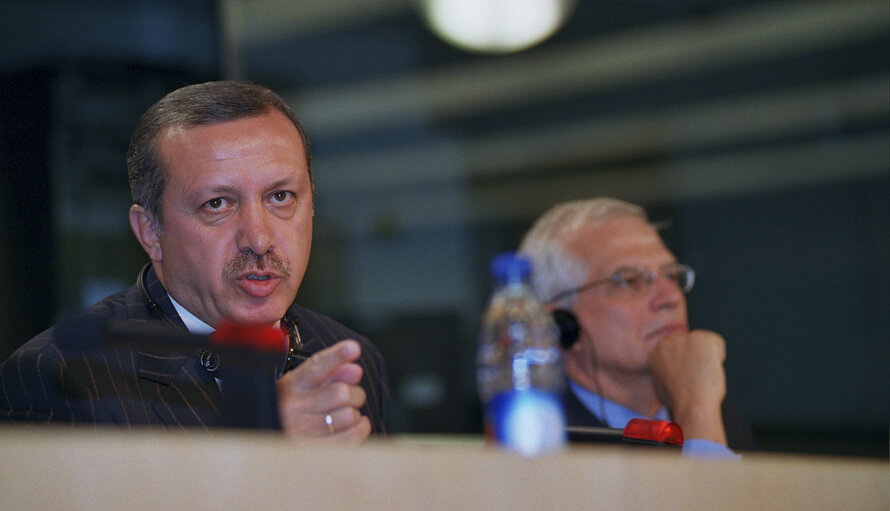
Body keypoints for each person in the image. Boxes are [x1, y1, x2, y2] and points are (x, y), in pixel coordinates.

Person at [0, 81, 387, 442]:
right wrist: (262, 453)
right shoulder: (57, 377)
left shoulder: (348, 356)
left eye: (281, 197)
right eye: (216, 204)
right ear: (151, 231)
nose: (259, 239)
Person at [518, 197, 754, 457]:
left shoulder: (720, 420)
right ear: (560, 325)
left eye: (671, 275)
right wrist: (697, 416)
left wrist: (699, 413)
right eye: (629, 281)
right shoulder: (538, 441)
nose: (671, 297)